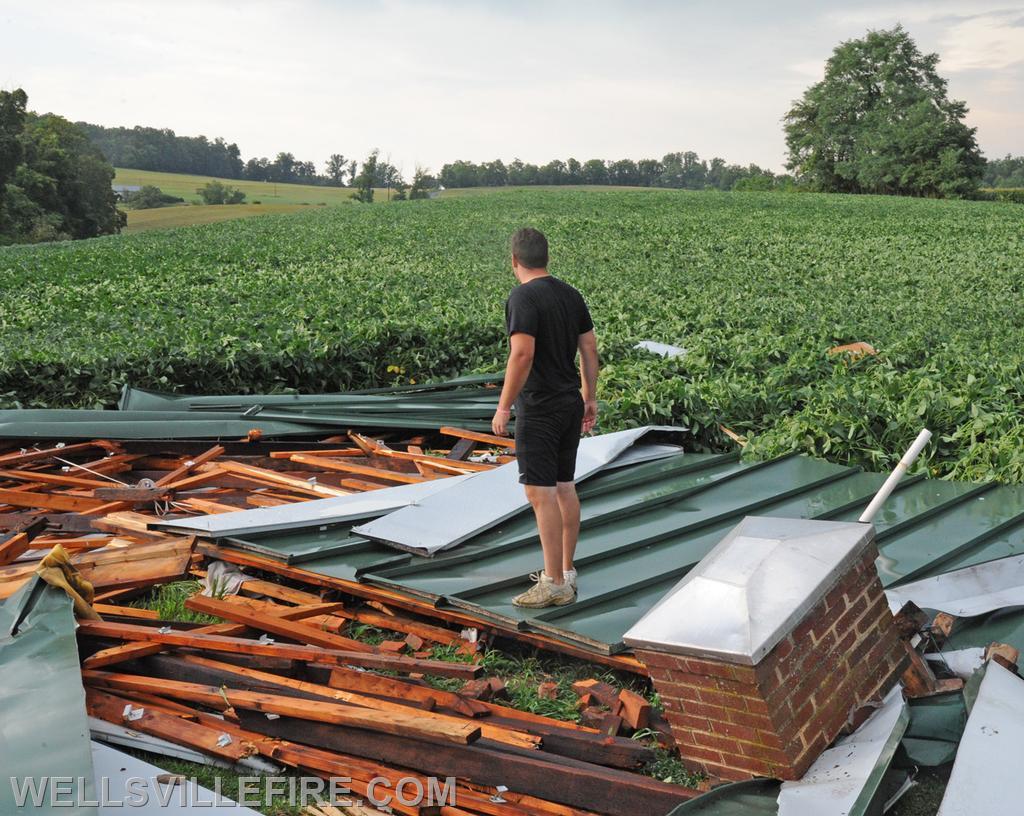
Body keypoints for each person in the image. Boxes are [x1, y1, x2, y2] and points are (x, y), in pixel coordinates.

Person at [492, 227, 599, 608]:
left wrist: (504, 406)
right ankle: (567, 571)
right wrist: (590, 395)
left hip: (539, 406)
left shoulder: (523, 297)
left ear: (514, 261)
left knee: (540, 493)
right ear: (547, 258)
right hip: (569, 401)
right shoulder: (571, 294)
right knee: (564, 485)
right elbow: (589, 348)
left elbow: (522, 355)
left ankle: (552, 582)